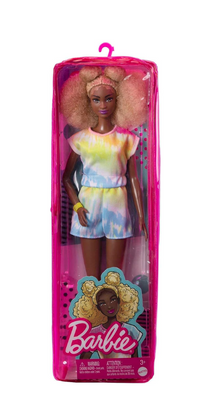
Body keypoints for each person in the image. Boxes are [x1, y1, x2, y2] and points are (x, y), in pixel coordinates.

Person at [61, 65, 148, 279]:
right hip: (88, 204)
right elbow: (67, 178)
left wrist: (141, 215)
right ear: (87, 102)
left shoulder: (126, 139)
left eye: (109, 99)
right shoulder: (81, 139)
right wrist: (77, 205)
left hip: (117, 202)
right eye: (96, 99)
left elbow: (133, 179)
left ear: (119, 100)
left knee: (114, 275)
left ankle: (114, 301)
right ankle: (92, 301)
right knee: (91, 277)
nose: (102, 105)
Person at [72, 270, 144, 359]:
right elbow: (83, 360)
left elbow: (135, 358)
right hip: (104, 367)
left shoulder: (131, 330)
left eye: (113, 299)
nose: (109, 306)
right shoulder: (95, 333)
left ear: (119, 301)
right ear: (97, 308)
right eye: (102, 303)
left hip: (127, 367)